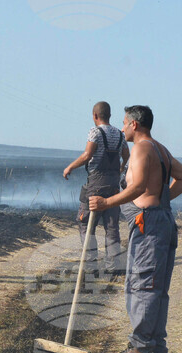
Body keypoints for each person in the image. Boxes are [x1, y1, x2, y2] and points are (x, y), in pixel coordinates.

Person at [88, 105, 182, 353]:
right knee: (156, 288)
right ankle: (156, 345)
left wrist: (106, 203)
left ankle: (141, 347)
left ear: (134, 124)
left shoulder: (142, 149)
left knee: (143, 285)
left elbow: (137, 187)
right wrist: (161, 200)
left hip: (150, 225)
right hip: (163, 220)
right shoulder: (161, 149)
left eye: (124, 123)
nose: (122, 128)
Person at [63, 101, 129, 274]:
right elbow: (127, 156)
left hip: (95, 186)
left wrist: (70, 167)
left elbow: (87, 155)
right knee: (112, 225)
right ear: (110, 115)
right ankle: (113, 267)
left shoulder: (95, 132)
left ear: (95, 116)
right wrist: (119, 170)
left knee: (85, 223)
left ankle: (91, 266)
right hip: (114, 186)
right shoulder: (120, 134)